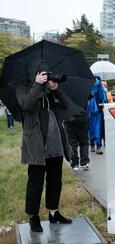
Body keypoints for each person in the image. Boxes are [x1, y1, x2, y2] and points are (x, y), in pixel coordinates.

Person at [15, 59, 73, 233]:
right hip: (37, 145)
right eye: (42, 73)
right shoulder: (23, 88)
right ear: (35, 74)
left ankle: (54, 213)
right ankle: (33, 217)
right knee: (36, 182)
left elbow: (65, 105)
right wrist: (36, 85)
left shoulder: (49, 89)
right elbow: (26, 105)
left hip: (56, 142)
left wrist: (55, 89)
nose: (45, 76)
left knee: (55, 180)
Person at [65, 102, 90, 172]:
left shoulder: (66, 92)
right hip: (82, 117)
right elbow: (90, 95)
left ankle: (75, 163)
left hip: (69, 118)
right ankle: (84, 162)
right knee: (84, 142)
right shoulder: (83, 91)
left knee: (72, 143)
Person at [87, 77, 107, 155]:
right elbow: (103, 98)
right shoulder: (99, 84)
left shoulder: (87, 84)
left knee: (91, 128)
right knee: (97, 128)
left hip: (89, 109)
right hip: (98, 109)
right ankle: (98, 145)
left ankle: (92, 144)